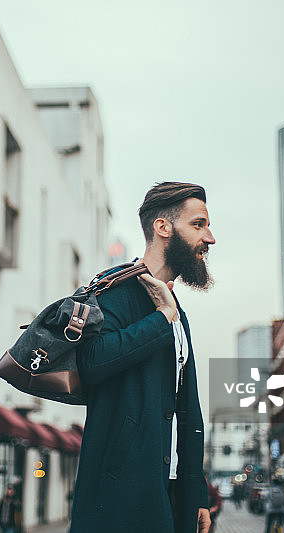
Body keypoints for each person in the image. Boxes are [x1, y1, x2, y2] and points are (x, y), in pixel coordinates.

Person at [71, 182, 215, 533]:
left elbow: (186, 409)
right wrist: (161, 318)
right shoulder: (112, 290)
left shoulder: (177, 310)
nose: (209, 238)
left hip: (171, 495)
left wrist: (196, 494)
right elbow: (91, 363)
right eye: (198, 225)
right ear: (163, 228)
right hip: (122, 499)